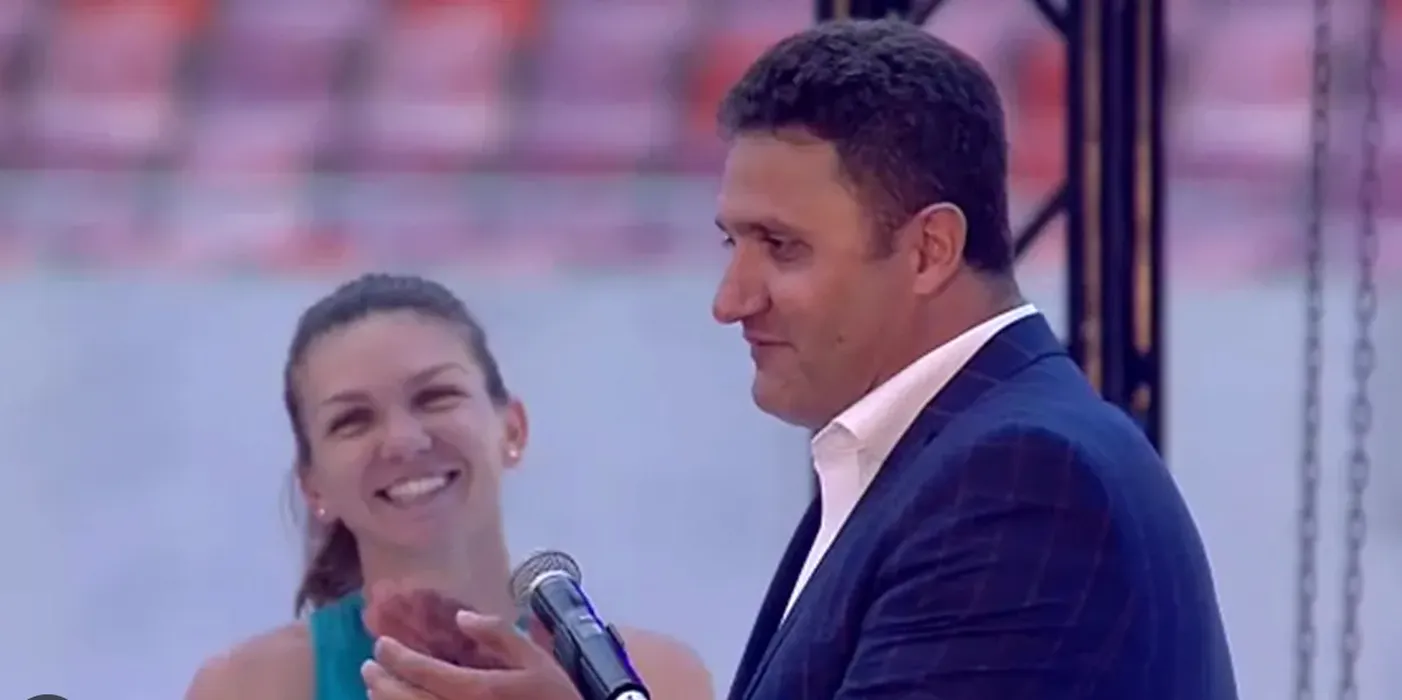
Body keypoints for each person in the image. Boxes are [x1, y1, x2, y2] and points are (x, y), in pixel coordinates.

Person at [351, 18, 1239, 700]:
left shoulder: (1020, 479)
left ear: (930, 250)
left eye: (780, 247)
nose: (730, 299)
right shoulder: (942, 458)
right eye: (731, 242)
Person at [183, 273, 714, 700]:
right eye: (352, 420)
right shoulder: (248, 687)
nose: (403, 441)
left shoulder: (651, 678)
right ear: (313, 485)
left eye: (435, 397)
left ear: (513, 429)